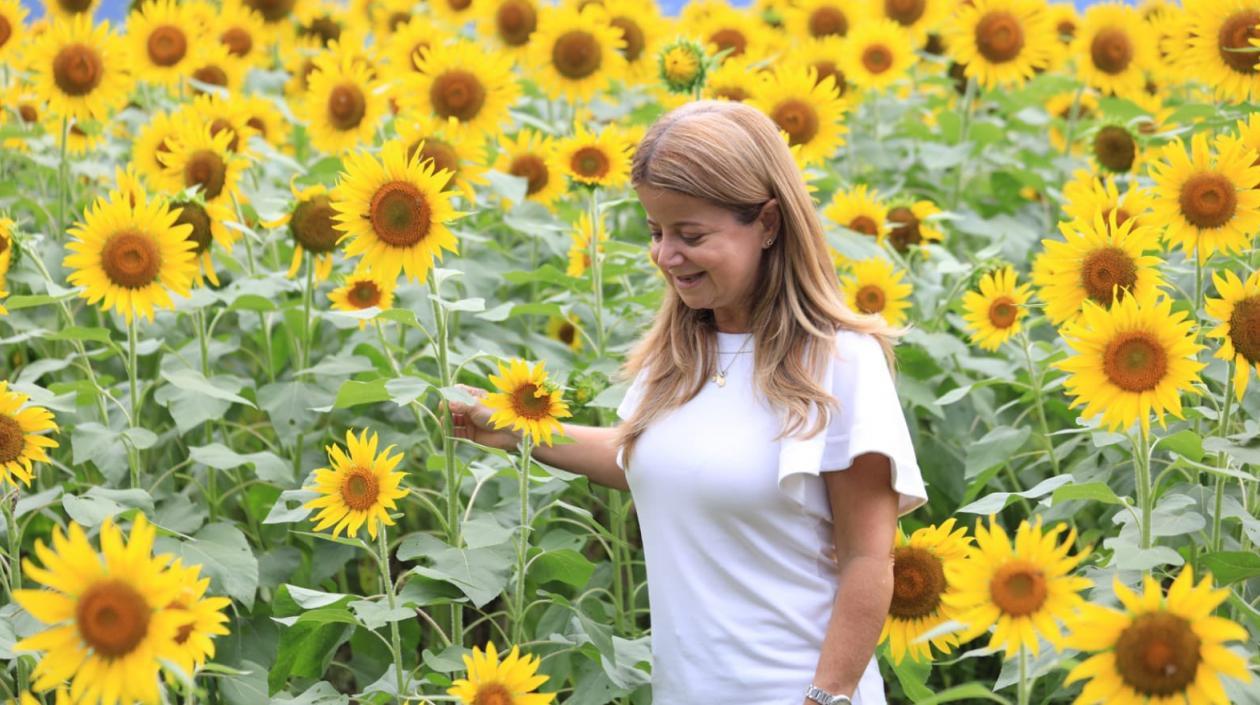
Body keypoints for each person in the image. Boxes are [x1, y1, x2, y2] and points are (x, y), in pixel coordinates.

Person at [446, 100, 929, 705]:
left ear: (769, 223)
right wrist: (516, 428)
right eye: (655, 231)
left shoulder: (839, 363)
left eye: (690, 235)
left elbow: (867, 561)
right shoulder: (679, 354)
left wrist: (825, 698)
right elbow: (638, 456)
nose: (665, 255)